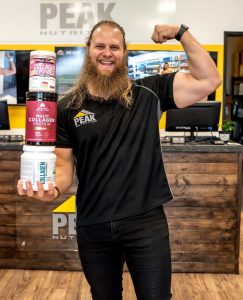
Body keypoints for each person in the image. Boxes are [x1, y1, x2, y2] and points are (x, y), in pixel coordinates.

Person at [17, 21, 221, 300]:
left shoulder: (150, 92)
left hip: (145, 223)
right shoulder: (67, 108)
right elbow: (64, 167)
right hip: (93, 224)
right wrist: (51, 190)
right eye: (100, 46)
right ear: (88, 50)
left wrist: (181, 33)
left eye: (115, 47)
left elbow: (209, 80)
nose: (107, 53)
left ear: (124, 53)